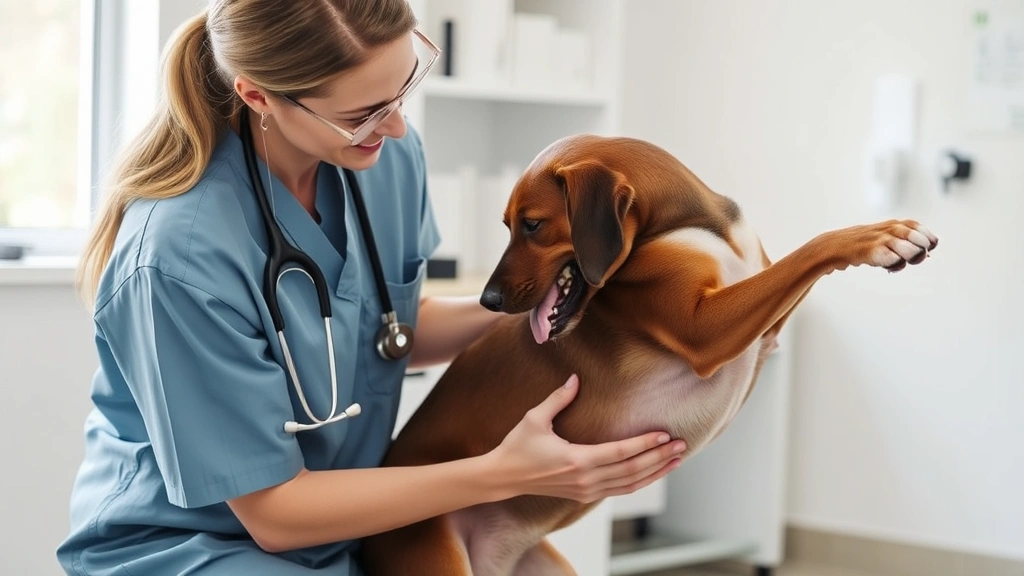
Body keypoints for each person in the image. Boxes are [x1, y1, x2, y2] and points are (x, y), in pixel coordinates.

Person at [57, 1, 687, 574]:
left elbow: (380, 333)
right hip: (195, 547)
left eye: (404, 87)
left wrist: (543, 301)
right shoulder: (177, 257)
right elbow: (274, 514)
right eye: (362, 114)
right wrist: (500, 474)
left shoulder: (384, 160)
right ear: (258, 96)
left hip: (351, 520)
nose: (395, 128)